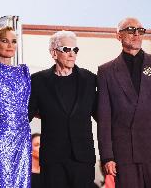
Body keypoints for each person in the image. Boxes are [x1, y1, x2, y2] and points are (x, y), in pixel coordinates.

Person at [97, 17, 151, 188]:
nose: (136, 34)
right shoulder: (106, 71)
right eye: (130, 30)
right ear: (118, 36)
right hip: (125, 152)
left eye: (140, 30)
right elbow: (104, 118)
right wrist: (107, 156)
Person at [28, 30, 97, 188]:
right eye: (67, 49)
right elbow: (27, 115)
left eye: (75, 50)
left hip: (82, 157)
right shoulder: (38, 81)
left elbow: (102, 114)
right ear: (54, 53)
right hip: (53, 159)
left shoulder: (90, 79)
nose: (72, 54)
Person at [0, 26, 32, 187]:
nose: (10, 45)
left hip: (22, 136)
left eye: (14, 41)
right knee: (1, 181)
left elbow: (31, 103)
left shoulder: (24, 71)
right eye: (4, 41)